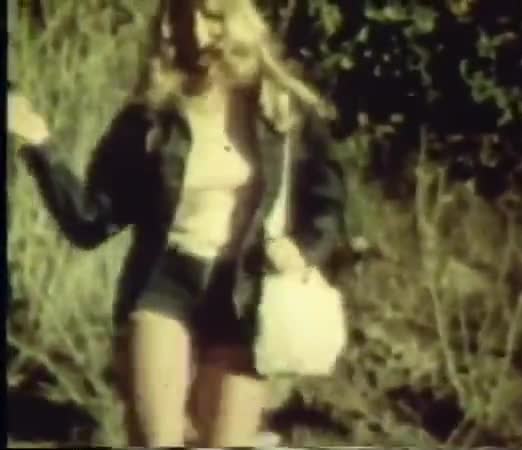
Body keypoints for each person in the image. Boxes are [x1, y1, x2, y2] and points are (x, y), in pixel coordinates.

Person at [8, 0, 346, 446]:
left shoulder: (282, 108)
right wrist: (40, 147)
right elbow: (91, 221)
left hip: (242, 297)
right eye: (186, 20)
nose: (200, 36)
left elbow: (328, 199)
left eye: (214, 18)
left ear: (240, 20)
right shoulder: (152, 114)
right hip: (164, 286)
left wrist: (303, 249)